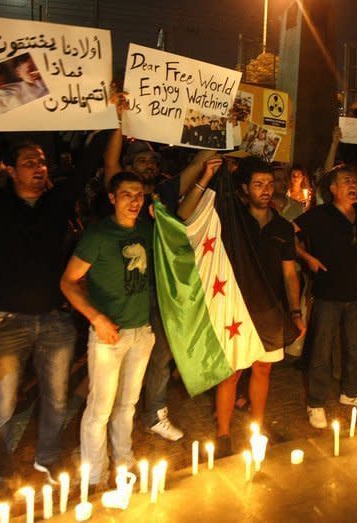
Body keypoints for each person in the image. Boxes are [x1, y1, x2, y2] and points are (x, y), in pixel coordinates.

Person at [0, 69, 106, 490]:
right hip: (6, 322)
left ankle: (47, 459)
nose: (39, 167)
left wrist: (113, 112)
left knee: (55, 400)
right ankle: (0, 470)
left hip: (55, 322)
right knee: (1, 405)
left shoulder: (57, 203)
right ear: (11, 170)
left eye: (42, 161)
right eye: (29, 162)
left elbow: (87, 165)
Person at [104, 99, 216, 441]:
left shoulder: (166, 191)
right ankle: (110, 414)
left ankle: (154, 412)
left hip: (160, 287)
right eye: (141, 160)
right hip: (123, 288)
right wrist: (118, 118)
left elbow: (197, 163)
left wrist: (215, 120)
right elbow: (109, 160)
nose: (149, 165)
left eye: (152, 160)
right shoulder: (120, 188)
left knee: (161, 352)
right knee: (116, 355)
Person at [181, 157, 304, 455]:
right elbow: (185, 215)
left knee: (263, 370)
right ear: (245, 189)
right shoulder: (230, 221)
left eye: (269, 184)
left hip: (271, 310)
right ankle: (223, 434)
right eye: (258, 184)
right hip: (234, 309)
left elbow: (289, 274)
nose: (265, 190)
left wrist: (296, 312)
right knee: (232, 372)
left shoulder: (284, 228)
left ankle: (257, 429)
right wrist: (207, 174)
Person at [60, 171, 155, 487]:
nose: (134, 201)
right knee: (100, 408)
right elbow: (68, 281)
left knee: (127, 404)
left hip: (142, 332)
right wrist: (96, 318)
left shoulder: (146, 229)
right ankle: (95, 474)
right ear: (112, 198)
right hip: (108, 334)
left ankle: (124, 462)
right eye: (126, 194)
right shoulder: (98, 236)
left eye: (139, 194)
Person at [295, 165, 357, 429]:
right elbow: (287, 232)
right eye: (345, 181)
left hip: (354, 293)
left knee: (356, 348)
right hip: (328, 293)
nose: (352, 184)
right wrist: (308, 259)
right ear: (332, 189)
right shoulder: (320, 215)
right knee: (322, 349)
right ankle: (316, 402)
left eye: (354, 180)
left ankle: (351, 393)